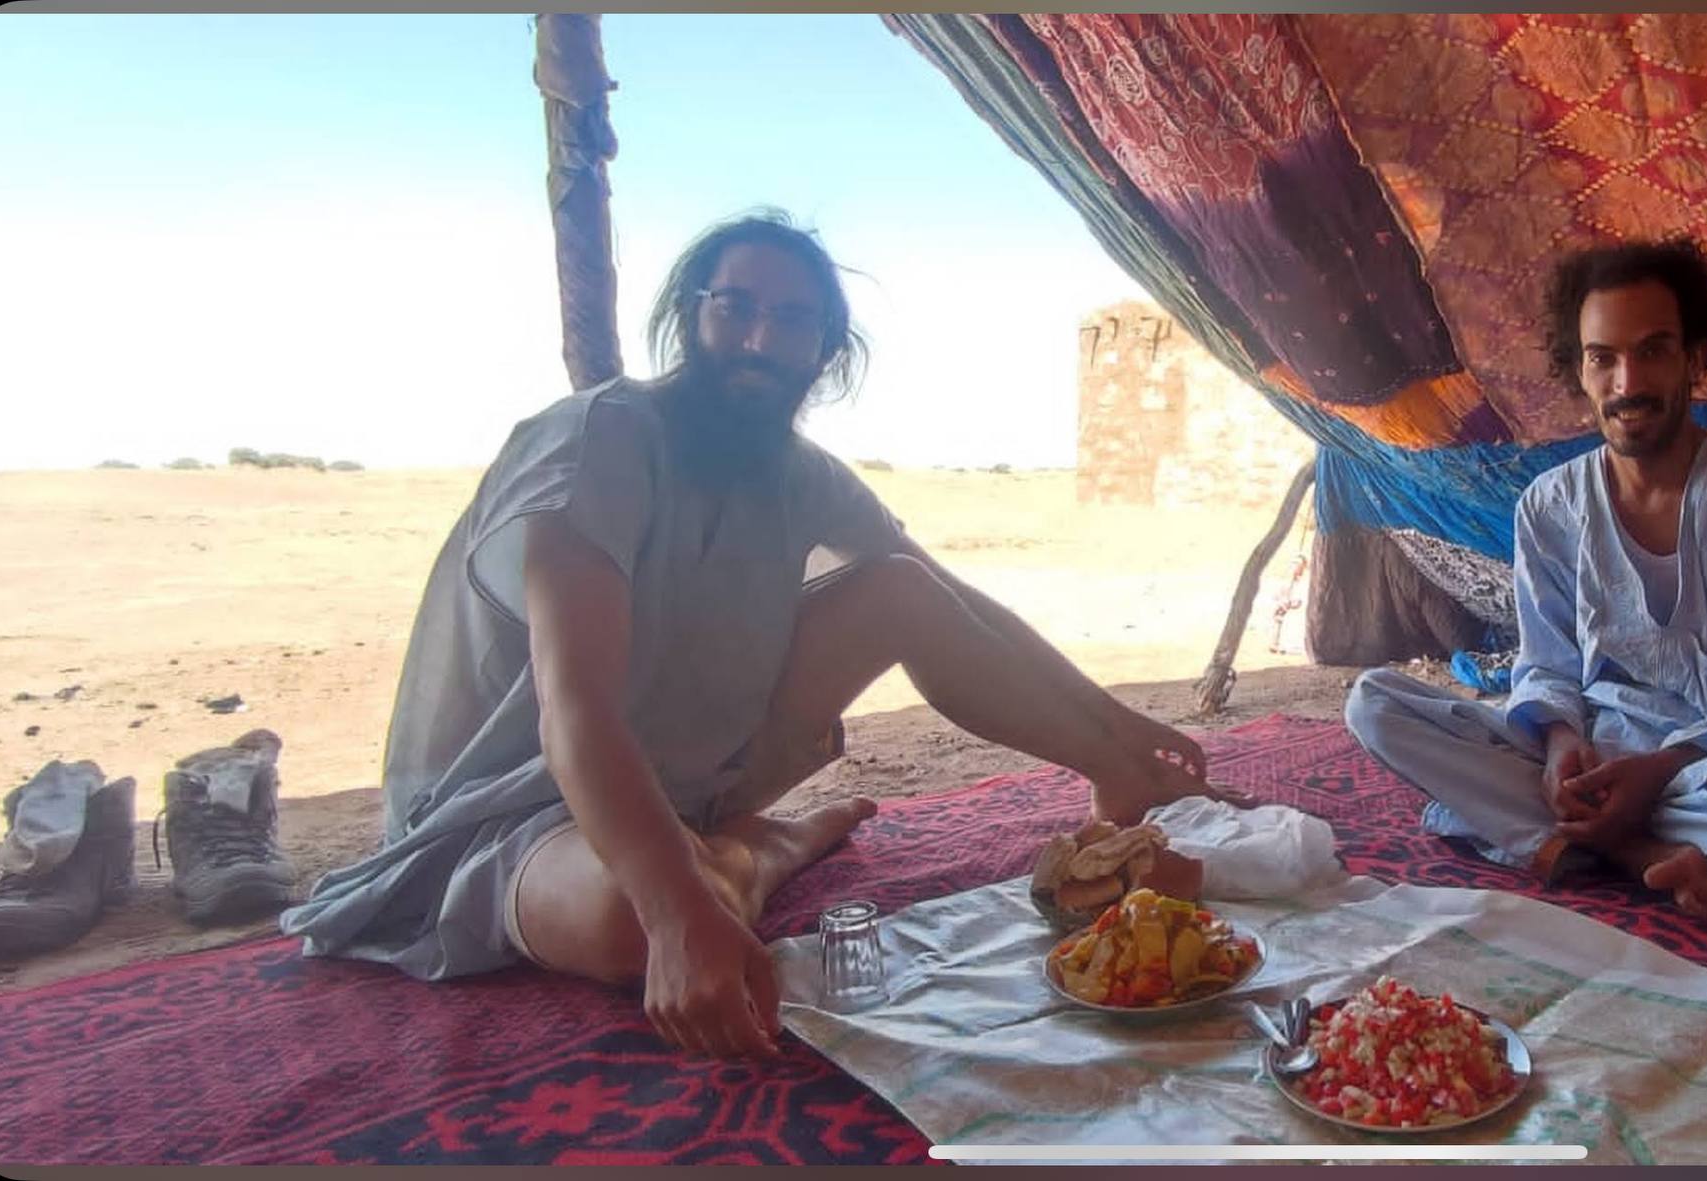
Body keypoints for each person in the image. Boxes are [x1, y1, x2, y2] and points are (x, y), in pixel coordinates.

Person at [282, 209, 1223, 1058]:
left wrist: (1113, 727)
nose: (760, 340)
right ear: (692, 315)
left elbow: (952, 600)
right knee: (634, 921)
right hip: (510, 815)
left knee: (896, 587)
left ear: (825, 351)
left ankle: (723, 845)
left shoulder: (798, 472)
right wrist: (682, 911)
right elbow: (576, 711)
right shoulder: (597, 441)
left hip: (683, 781)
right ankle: (764, 849)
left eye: (793, 321)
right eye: (736, 307)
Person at [1345, 237, 1707, 918]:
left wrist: (1661, 767)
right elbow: (1546, 665)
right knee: (1374, 703)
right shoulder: (1547, 505)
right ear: (1578, 371)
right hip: (1595, 755)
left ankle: (1552, 836)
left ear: (1695, 357)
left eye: (1653, 350)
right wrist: (1562, 745)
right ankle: (1642, 853)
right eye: (1603, 358)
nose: (1627, 383)